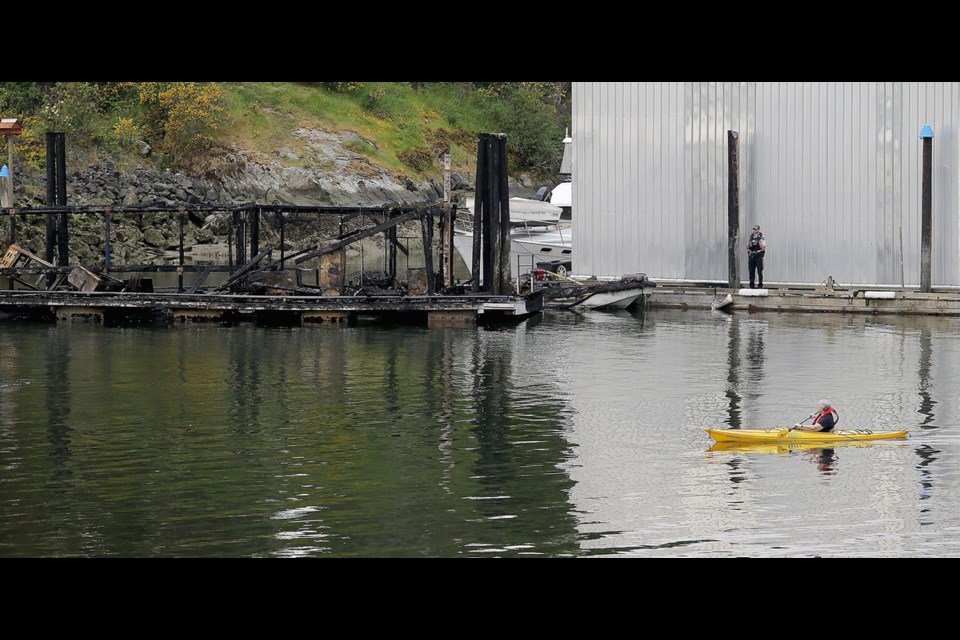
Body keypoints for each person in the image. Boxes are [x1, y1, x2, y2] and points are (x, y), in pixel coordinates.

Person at [746, 224, 766, 289]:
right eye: (754, 229)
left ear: (758, 229)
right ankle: (751, 284)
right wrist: (749, 244)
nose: (755, 230)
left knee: (759, 270)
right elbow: (746, 246)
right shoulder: (751, 236)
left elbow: (763, 248)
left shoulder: (761, 237)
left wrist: (758, 242)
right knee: (751, 270)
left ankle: (760, 284)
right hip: (752, 255)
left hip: (758, 255)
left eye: (756, 229)